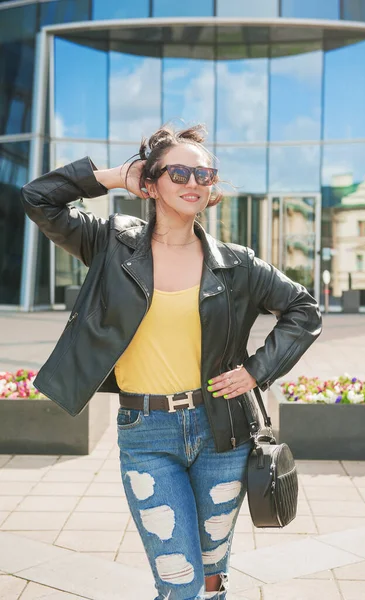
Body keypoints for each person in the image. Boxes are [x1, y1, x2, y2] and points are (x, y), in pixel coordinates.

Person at [20, 123, 322, 600]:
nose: (193, 183)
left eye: (204, 174)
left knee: (210, 577)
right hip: (146, 435)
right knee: (178, 583)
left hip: (222, 432)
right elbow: (39, 198)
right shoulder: (111, 244)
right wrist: (118, 176)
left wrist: (255, 372)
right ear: (153, 182)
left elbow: (304, 310)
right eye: (178, 172)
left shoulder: (236, 263)